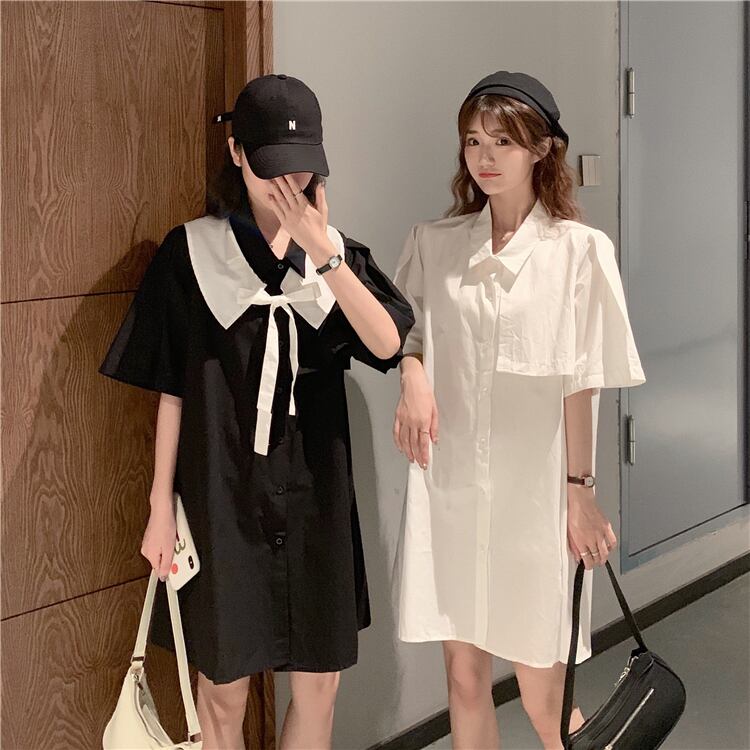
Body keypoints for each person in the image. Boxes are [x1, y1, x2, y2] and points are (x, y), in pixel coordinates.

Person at [100, 74, 414, 750]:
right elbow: (173, 388)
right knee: (222, 689)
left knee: (320, 684)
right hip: (222, 496)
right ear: (237, 152)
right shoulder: (190, 255)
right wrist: (160, 507)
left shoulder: (335, 260)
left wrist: (323, 252)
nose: (287, 186)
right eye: (271, 167)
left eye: (302, 171)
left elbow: (388, 343)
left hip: (316, 498)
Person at [391, 71, 646, 750]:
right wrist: (413, 376)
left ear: (540, 148)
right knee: (464, 680)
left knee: (544, 696)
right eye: (474, 140)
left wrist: (580, 493)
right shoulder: (436, 244)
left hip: (534, 500)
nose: (485, 156)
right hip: (452, 490)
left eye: (503, 141)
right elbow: (406, 335)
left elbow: (581, 380)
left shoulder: (578, 253)